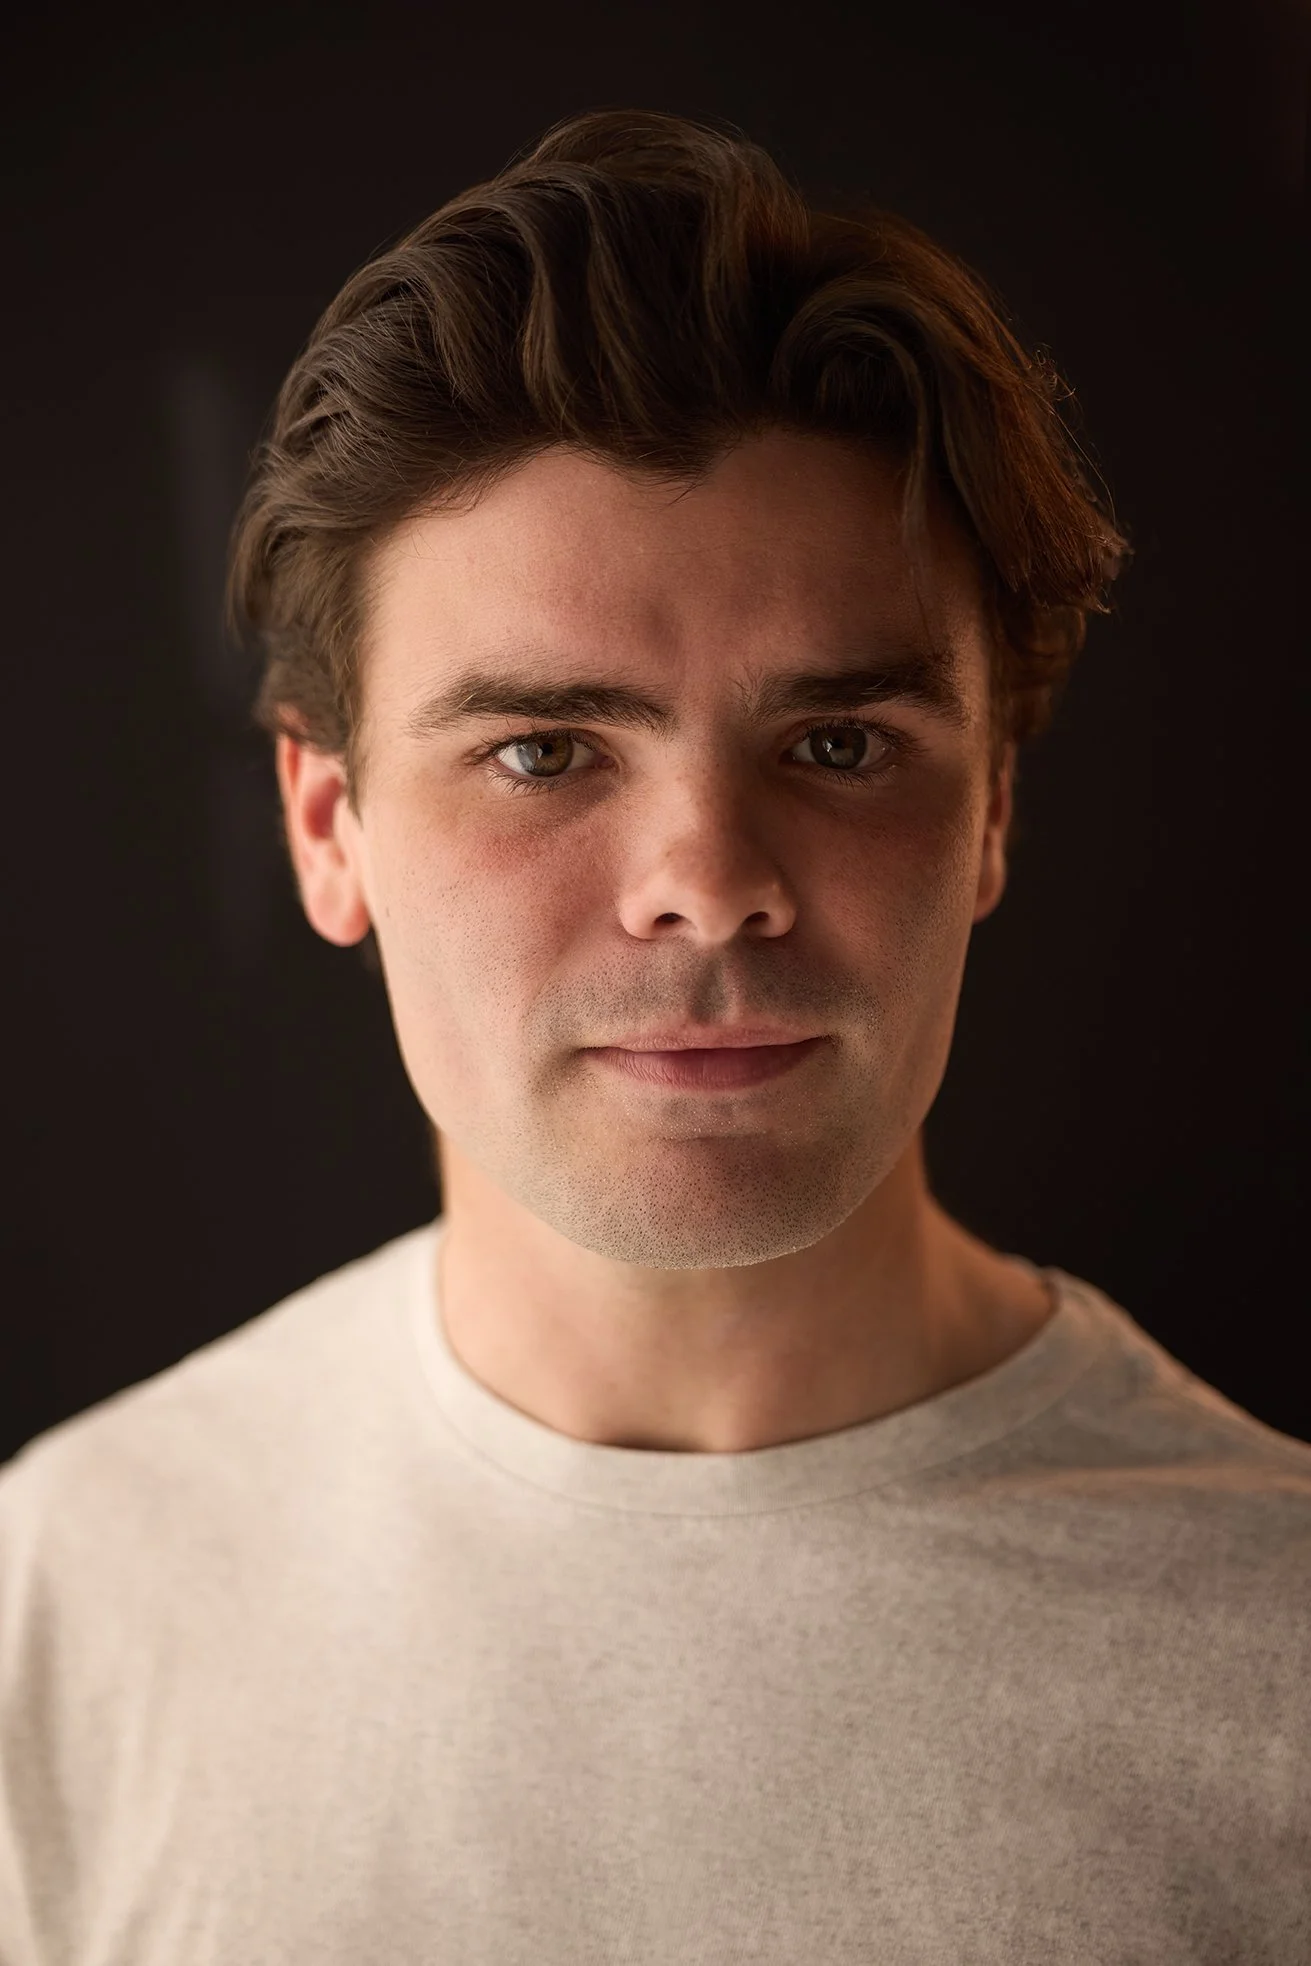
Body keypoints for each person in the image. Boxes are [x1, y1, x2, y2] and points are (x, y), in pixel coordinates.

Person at [1, 108, 1306, 1966]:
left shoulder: (1279, 1665)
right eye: (544, 752)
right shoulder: (63, 1603)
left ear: (993, 811)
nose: (710, 883)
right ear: (327, 824)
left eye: (839, 744)